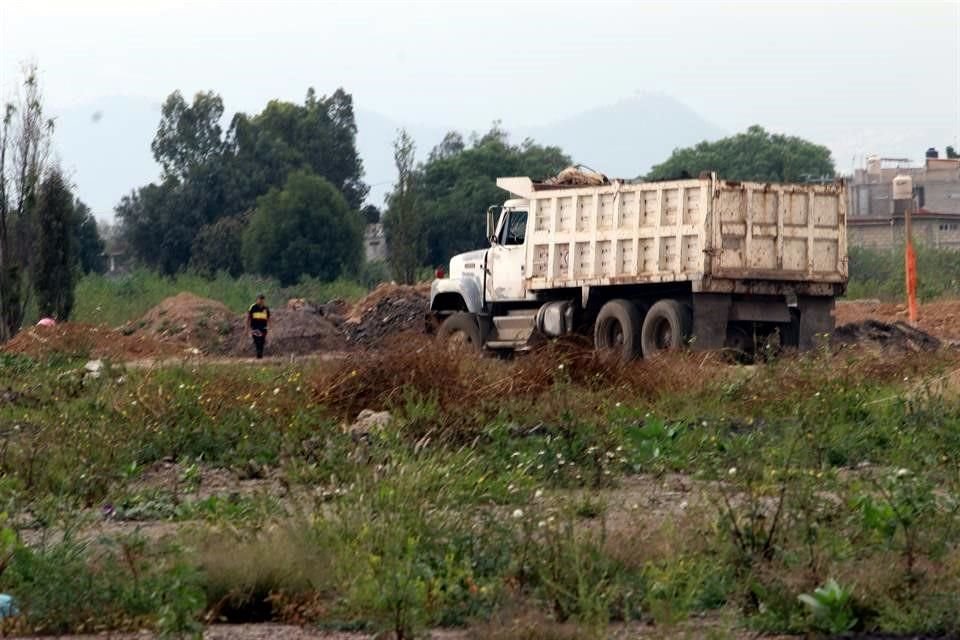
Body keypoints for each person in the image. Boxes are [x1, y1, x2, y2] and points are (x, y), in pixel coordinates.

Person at [247, 294, 270, 359]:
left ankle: (260, 354)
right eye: (260, 300)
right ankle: (258, 352)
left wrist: (271, 327)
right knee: (257, 340)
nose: (261, 301)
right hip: (255, 327)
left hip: (263, 328)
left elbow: (268, 318)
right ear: (257, 300)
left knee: (262, 341)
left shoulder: (266, 308)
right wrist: (247, 327)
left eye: (262, 300)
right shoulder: (253, 307)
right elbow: (248, 317)